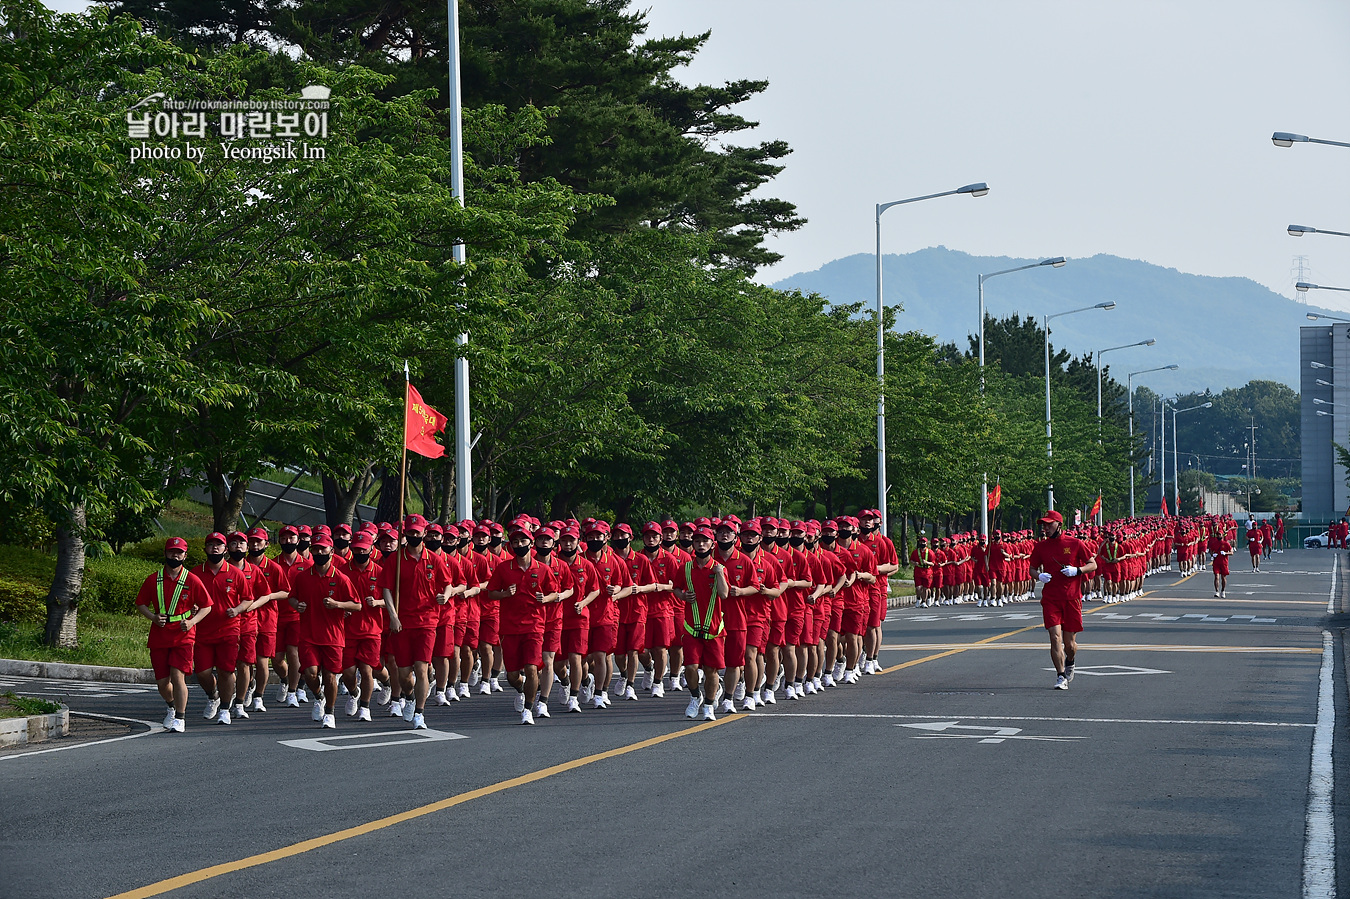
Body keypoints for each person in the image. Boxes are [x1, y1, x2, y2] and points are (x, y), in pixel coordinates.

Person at [377, 514, 454, 730]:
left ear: (424, 534)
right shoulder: (396, 560)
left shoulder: (434, 560)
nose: (413, 536)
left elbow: (447, 583)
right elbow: (386, 589)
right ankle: (409, 696)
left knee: (421, 668)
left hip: (427, 621)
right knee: (403, 674)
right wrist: (393, 616)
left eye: (416, 533)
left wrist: (446, 595)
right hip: (402, 623)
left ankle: (420, 712)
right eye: (409, 533)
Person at [483, 527, 561, 724]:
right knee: (511, 675)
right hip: (509, 628)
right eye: (515, 542)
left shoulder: (542, 569)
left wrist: (546, 598)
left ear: (530, 543)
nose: (519, 545)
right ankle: (522, 688)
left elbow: (555, 593)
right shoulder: (503, 568)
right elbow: (491, 592)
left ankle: (528, 708)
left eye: (523, 541)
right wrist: (504, 594)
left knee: (532, 668)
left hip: (535, 626)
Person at [135, 538, 213, 732]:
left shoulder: (192, 579)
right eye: (172, 552)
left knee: (178, 677)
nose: (175, 556)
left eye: (179, 552)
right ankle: (171, 706)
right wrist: (153, 617)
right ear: (165, 553)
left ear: (185, 556)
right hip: (159, 634)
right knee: (162, 683)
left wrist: (192, 621)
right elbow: (140, 603)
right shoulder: (154, 579)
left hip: (183, 635)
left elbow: (207, 606)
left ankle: (180, 717)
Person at [291, 532, 362, 729]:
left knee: (331, 676)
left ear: (331, 551)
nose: (320, 552)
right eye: (316, 549)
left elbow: (357, 605)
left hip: (333, 636)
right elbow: (292, 597)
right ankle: (318, 696)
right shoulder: (303, 577)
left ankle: (329, 712)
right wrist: (297, 605)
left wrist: (337, 604)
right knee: (310, 674)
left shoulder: (341, 578)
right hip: (308, 635)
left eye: (324, 549)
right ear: (311, 551)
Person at [1028, 510, 1097, 690]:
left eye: (1049, 524)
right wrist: (1039, 576)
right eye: (1043, 525)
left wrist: (1077, 570)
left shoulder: (1074, 543)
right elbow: (1032, 568)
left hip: (1072, 599)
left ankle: (1071, 661)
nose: (1045, 528)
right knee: (1054, 637)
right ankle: (1060, 676)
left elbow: (1093, 564)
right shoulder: (1040, 547)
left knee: (1070, 644)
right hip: (1051, 599)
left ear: (1059, 524)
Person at [191, 532, 255, 724]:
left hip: (229, 630)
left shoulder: (235, 573)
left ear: (225, 549)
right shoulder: (195, 573)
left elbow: (248, 598)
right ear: (205, 549)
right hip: (202, 630)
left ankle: (225, 709)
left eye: (219, 545)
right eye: (211, 545)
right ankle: (213, 696)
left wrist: (237, 610)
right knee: (202, 672)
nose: (215, 548)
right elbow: (186, 598)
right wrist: (191, 607)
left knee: (226, 671)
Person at [673, 526, 730, 721]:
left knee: (711, 670)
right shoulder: (686, 568)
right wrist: (683, 595)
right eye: (697, 541)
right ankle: (695, 696)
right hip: (691, 627)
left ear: (712, 544)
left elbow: (724, 594)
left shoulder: (719, 568)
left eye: (705, 541)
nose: (701, 544)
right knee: (690, 667)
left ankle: (709, 705)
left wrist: (720, 574)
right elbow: (676, 589)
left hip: (714, 629)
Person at [1211, 528, 1232, 598]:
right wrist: (1213, 554)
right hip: (1216, 562)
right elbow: (1211, 550)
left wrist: (1225, 553)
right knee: (1216, 576)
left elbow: (1231, 552)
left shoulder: (1226, 544)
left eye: (1219, 534)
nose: (1218, 536)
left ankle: (1223, 590)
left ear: (1222, 535)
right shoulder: (1214, 543)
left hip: (1224, 562)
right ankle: (1217, 591)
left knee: (1223, 577)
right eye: (1217, 535)